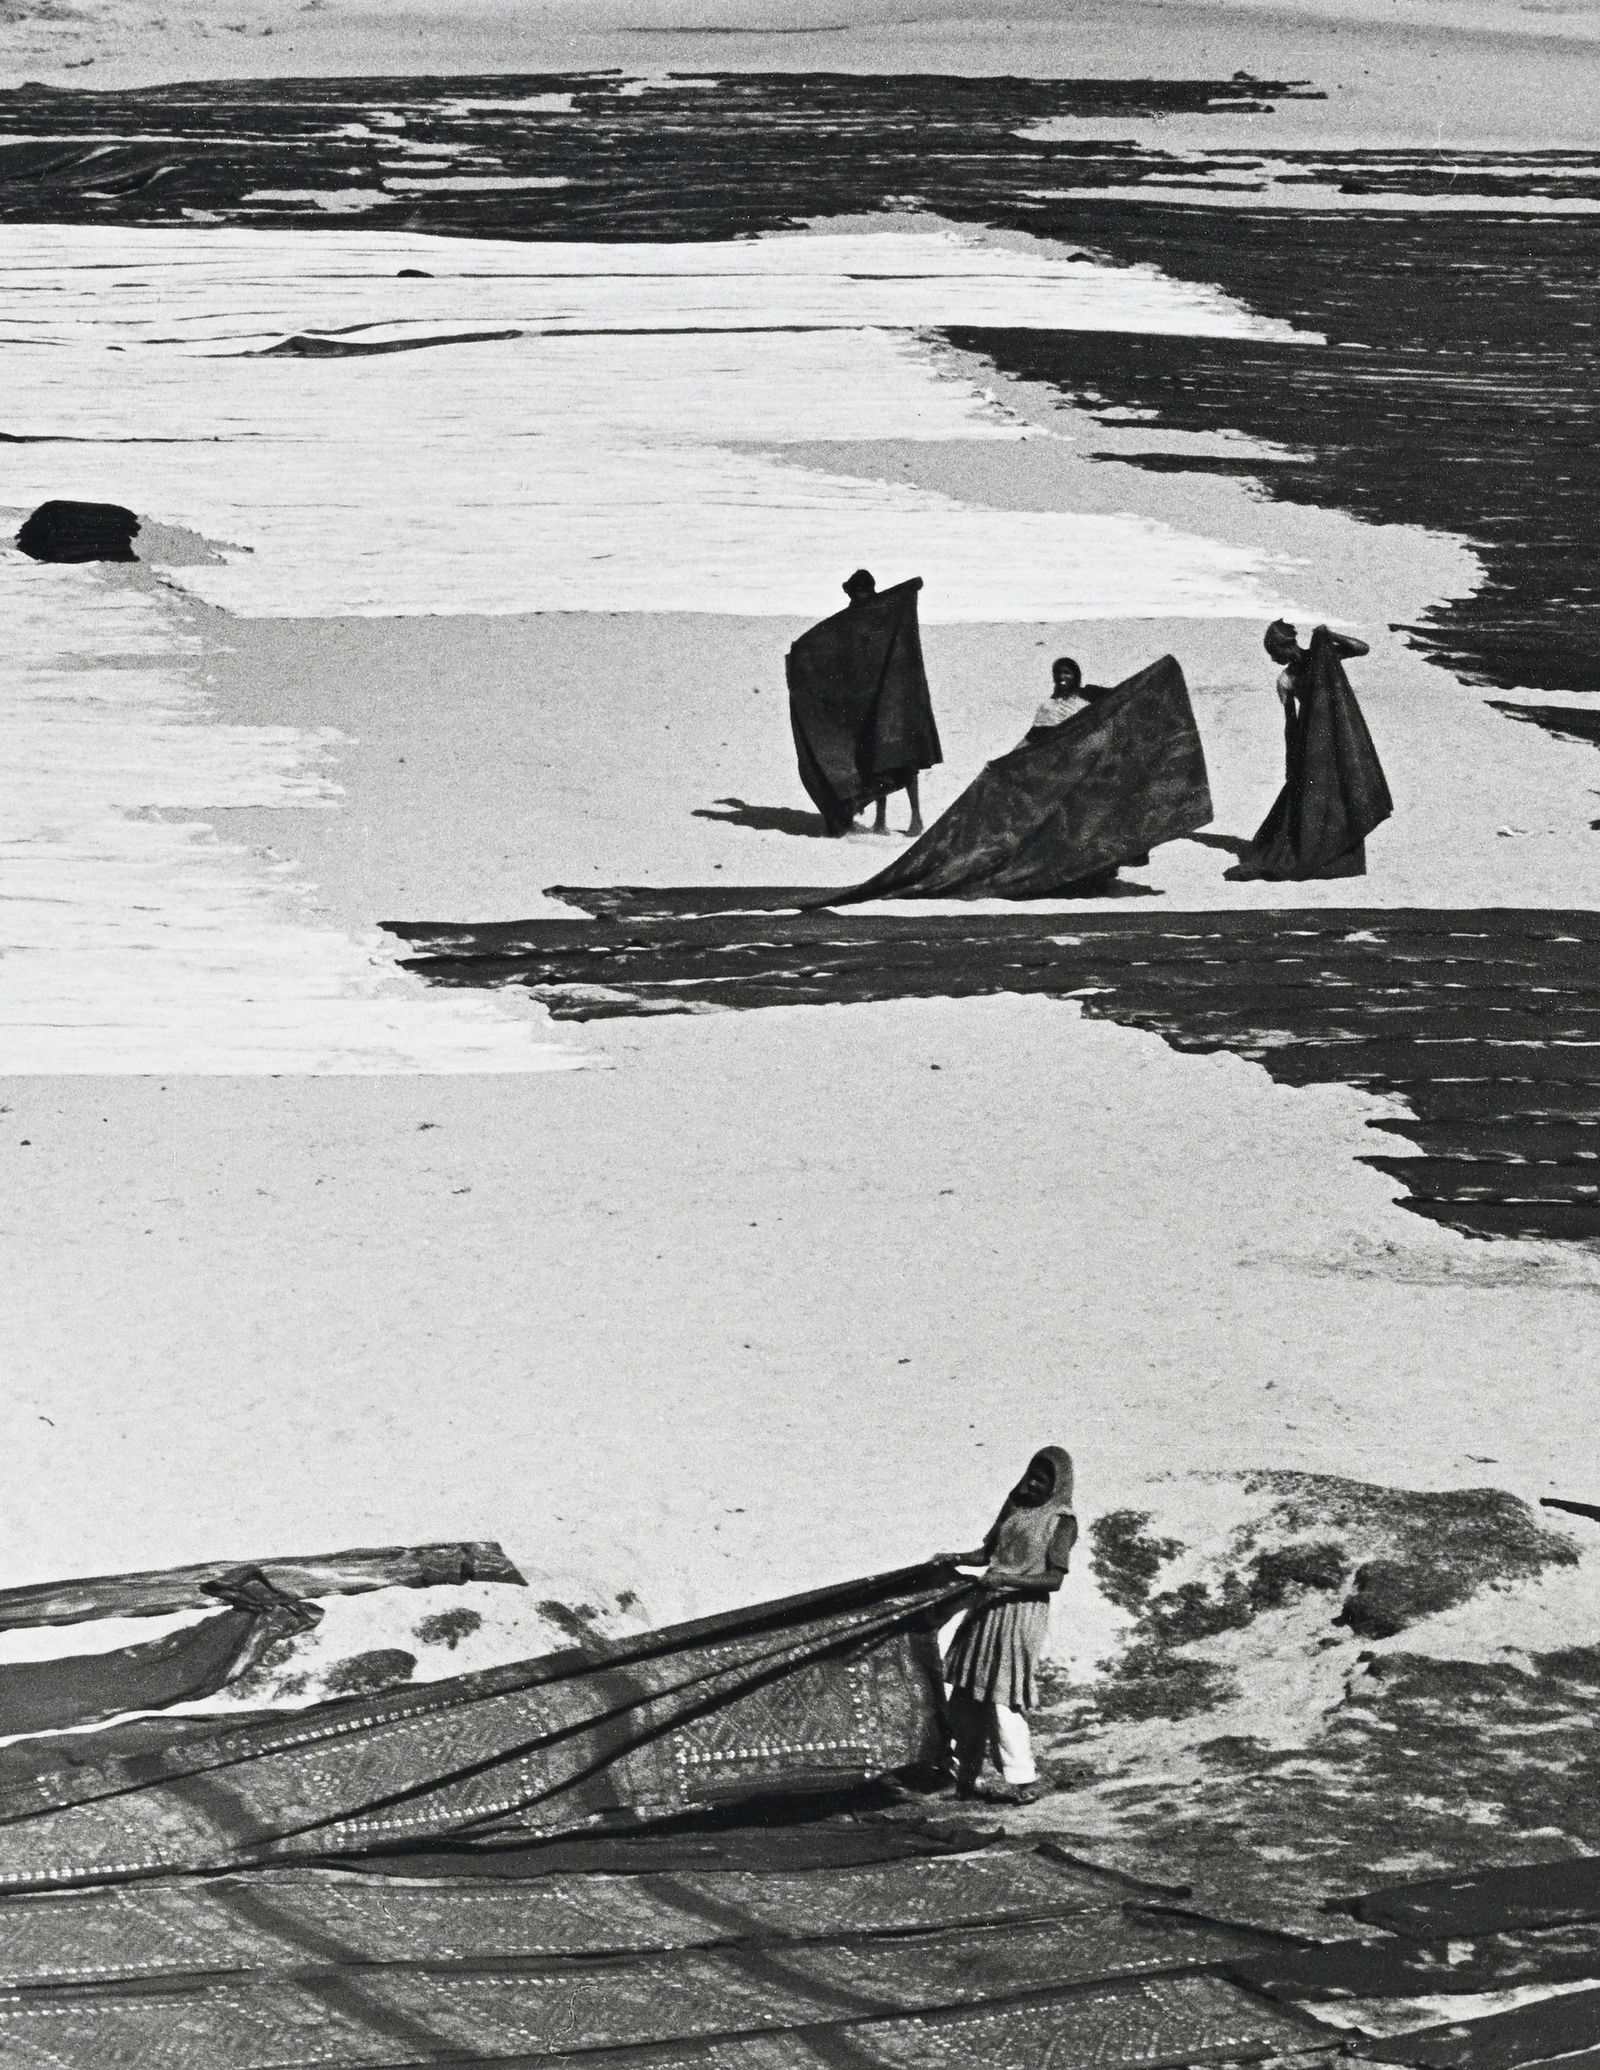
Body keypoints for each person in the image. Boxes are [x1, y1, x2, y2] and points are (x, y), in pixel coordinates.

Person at [934, 1446, 1077, 1804]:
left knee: (1002, 1697)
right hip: (986, 1609)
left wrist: (1005, 1582)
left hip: (1020, 1613)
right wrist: (954, 1558)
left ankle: (1022, 1781)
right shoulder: (1015, 1504)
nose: (1032, 1483)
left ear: (1057, 1485)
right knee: (967, 1694)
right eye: (1031, 1473)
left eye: (1042, 1479)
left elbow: (1053, 1579)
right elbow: (987, 1555)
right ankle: (963, 1777)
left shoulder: (1062, 1520)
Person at [1233, 619, 1392, 880]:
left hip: (1327, 736)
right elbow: (1291, 723)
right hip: (1318, 740)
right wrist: (1291, 762)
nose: (1274, 659)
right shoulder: (1291, 675)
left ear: (1285, 647)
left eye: (1274, 653)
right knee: (1323, 795)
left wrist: (1331, 635)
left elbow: (1362, 648)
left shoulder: (1314, 661)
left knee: (1330, 792)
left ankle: (1330, 851)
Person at [1022, 659, 1148, 868]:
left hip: (1087, 768)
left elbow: (1120, 700)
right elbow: (1032, 737)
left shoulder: (1087, 702)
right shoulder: (1047, 707)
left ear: (1076, 676)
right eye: (1059, 673)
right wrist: (1004, 760)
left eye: (1068, 673)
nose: (1063, 678)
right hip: (1060, 772)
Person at [843, 570, 924, 836]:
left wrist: (911, 587)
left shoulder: (884, 611)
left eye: (857, 593)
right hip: (874, 699)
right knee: (878, 762)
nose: (854, 598)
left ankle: (915, 817)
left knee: (903, 759)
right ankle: (881, 820)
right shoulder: (856, 615)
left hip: (893, 698)